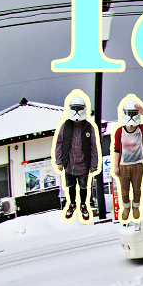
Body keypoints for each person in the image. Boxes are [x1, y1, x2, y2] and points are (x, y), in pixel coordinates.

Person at [111, 97, 143, 222]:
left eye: (133, 113)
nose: (131, 116)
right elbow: (116, 149)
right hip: (124, 165)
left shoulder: (142, 129)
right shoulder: (119, 131)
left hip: (137, 165)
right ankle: (126, 208)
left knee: (137, 189)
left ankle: (135, 207)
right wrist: (116, 166)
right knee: (124, 191)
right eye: (129, 113)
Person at [52, 92, 101, 222]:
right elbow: (59, 143)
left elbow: (93, 147)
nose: (77, 111)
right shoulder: (65, 126)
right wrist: (59, 161)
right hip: (69, 163)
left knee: (84, 187)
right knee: (71, 186)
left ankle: (83, 205)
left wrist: (94, 164)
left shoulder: (89, 127)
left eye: (79, 108)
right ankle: (72, 204)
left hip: (84, 164)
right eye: (74, 108)